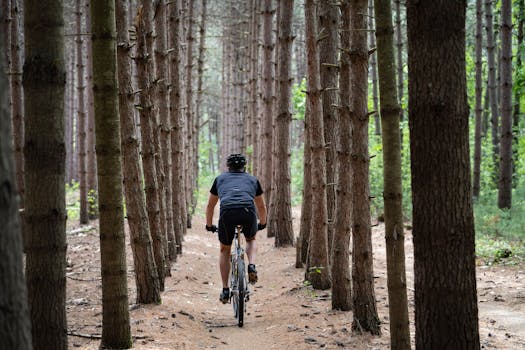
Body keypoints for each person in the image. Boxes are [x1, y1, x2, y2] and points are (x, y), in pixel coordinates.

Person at [205, 154, 267, 304]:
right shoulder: (252, 180)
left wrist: (209, 225)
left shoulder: (220, 179)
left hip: (227, 213)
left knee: (225, 249)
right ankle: (251, 265)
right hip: (247, 211)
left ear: (228, 166)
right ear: (244, 166)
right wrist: (263, 223)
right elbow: (261, 206)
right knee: (251, 239)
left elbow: (210, 206)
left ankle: (225, 289)